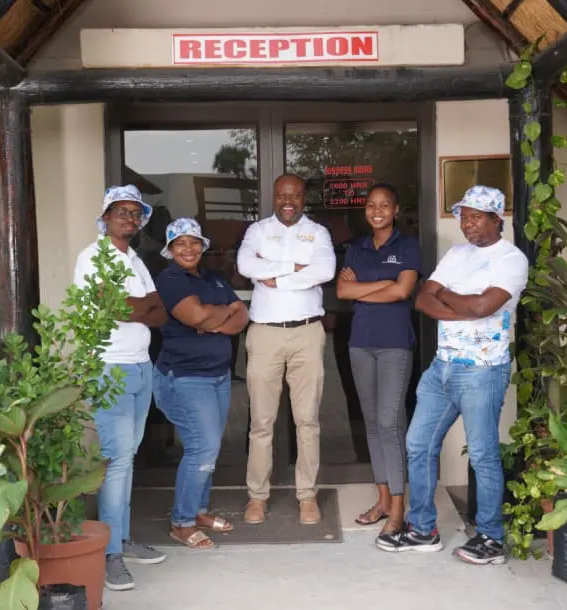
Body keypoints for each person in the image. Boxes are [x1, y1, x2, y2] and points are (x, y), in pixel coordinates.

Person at [377, 185, 528, 565]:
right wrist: (465, 306)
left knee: (482, 454)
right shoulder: (456, 254)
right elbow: (422, 298)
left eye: (475, 216)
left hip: (482, 371)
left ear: (496, 219)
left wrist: (452, 299)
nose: (467, 224)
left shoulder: (511, 259)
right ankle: (423, 529)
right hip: (441, 367)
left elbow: (484, 305)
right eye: (463, 216)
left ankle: (491, 538)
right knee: (418, 444)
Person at [73, 184, 168, 591]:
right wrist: (136, 306)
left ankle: (122, 539)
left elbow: (159, 313)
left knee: (127, 457)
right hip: (109, 368)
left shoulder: (136, 260)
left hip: (141, 366)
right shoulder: (92, 257)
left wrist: (135, 307)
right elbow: (115, 307)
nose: (129, 218)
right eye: (121, 211)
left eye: (135, 213)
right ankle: (110, 554)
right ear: (106, 216)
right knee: (116, 459)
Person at [237, 174, 336, 525]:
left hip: (307, 333)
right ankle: (257, 496)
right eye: (282, 195)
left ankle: (307, 495)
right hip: (264, 334)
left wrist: (274, 277)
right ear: (274, 197)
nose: (288, 201)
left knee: (307, 420)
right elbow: (246, 266)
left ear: (303, 198)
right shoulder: (257, 231)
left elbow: (325, 270)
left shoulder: (318, 233)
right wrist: (296, 269)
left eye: (294, 195)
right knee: (261, 421)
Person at [151, 218, 249, 549]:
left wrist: (213, 320)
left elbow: (241, 315)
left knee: (210, 447)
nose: (188, 249)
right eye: (180, 243)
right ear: (170, 249)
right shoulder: (170, 280)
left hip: (218, 376)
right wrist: (215, 314)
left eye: (194, 242)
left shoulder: (212, 278)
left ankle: (198, 511)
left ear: (203, 246)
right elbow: (194, 316)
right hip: (185, 377)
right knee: (202, 448)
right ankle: (182, 522)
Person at [335, 184, 420, 542]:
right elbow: (342, 291)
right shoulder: (356, 249)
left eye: (385, 205)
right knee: (371, 424)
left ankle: (399, 508)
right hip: (361, 344)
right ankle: (383, 500)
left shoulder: (408, 246)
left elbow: (403, 291)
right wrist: (383, 283)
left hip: (395, 345)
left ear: (396, 210)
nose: (378, 211)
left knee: (390, 424)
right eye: (372, 205)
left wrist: (366, 288)